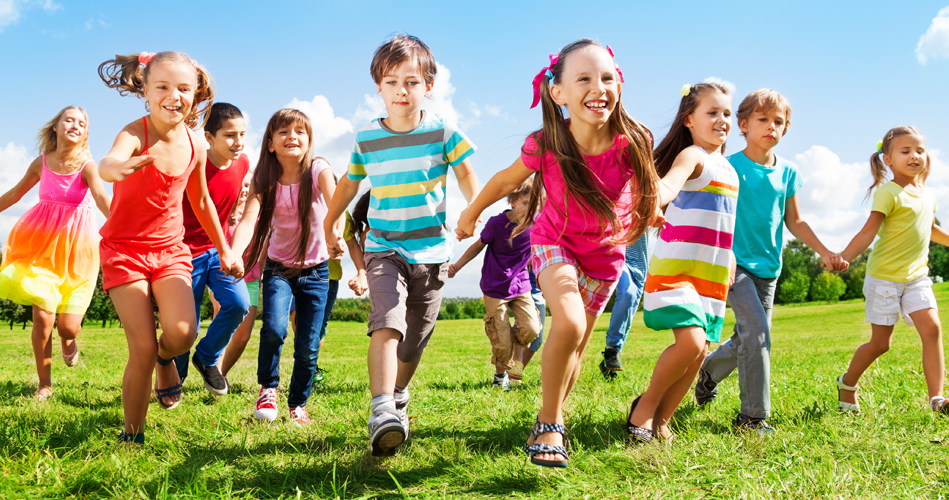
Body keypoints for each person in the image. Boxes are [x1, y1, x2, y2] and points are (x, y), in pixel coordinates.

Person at [457, 39, 658, 467]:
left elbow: (649, 187)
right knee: (565, 321)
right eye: (583, 78)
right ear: (558, 92)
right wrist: (472, 211)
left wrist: (650, 211)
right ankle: (548, 423)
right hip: (555, 244)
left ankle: (555, 413)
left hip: (605, 259)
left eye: (606, 77)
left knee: (576, 347)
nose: (597, 87)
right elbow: (504, 181)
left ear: (619, 85)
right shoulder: (548, 142)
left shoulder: (633, 140)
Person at [324, 34, 480, 457]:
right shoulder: (367, 140)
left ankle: (397, 394)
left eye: (411, 82)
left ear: (428, 86)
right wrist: (331, 219)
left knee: (414, 340)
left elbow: (466, 174)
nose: (401, 91)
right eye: (391, 82)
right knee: (387, 321)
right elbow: (348, 183)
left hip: (431, 252)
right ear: (378, 87)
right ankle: (381, 411)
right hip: (383, 247)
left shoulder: (443, 132)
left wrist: (472, 208)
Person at [97, 51, 242, 444]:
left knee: (182, 332)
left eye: (183, 88)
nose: (173, 95)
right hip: (124, 251)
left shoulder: (196, 144)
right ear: (145, 89)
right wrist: (114, 168)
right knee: (141, 346)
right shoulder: (135, 133)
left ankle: (168, 358)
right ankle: (133, 435)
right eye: (162, 86)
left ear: (196, 94)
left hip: (170, 252)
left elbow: (201, 202)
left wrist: (225, 249)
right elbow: (109, 162)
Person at [695, 89, 845, 434]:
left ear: (786, 129)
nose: (771, 127)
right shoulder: (729, 166)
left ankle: (708, 372)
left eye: (778, 122)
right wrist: (725, 254)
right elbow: (715, 215)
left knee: (750, 335)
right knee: (758, 334)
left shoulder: (789, 172)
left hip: (769, 269)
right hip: (734, 265)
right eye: (763, 120)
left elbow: (795, 221)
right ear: (743, 125)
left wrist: (824, 251)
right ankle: (752, 417)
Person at [626, 82, 739, 444]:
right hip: (678, 269)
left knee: (701, 350)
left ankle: (663, 419)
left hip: (712, 273)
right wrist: (653, 202)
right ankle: (644, 408)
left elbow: (722, 221)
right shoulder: (694, 156)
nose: (722, 120)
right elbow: (668, 185)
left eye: (726, 113)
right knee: (690, 343)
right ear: (689, 119)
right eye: (712, 112)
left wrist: (731, 256)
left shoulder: (729, 169)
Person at [230, 108, 337, 427]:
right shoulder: (265, 179)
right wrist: (236, 253)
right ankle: (268, 389)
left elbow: (337, 205)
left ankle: (298, 404)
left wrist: (335, 235)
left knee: (307, 344)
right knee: (274, 329)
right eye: (284, 132)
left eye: (300, 131)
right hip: (278, 270)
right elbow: (249, 219)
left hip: (317, 272)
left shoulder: (319, 169)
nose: (293, 136)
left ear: (309, 140)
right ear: (271, 143)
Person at [0, 106, 111, 401]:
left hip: (79, 253)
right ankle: (44, 384)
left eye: (82, 122)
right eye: (69, 120)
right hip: (41, 248)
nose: (76, 125)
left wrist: (122, 226)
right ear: (56, 127)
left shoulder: (88, 166)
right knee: (44, 318)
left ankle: (69, 339)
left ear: (86, 132)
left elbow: (101, 197)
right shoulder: (42, 162)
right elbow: (14, 194)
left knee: (67, 326)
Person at [836, 126, 949, 414]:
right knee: (880, 344)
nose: (915, 156)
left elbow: (931, 229)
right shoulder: (888, 193)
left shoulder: (928, 195)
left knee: (933, 329)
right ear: (887, 159)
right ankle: (847, 384)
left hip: (917, 278)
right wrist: (845, 256)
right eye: (906, 151)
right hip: (883, 279)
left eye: (920, 150)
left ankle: (937, 399)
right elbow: (867, 232)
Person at [174, 102, 251, 395]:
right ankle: (174, 382)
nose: (239, 142)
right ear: (209, 138)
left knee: (238, 303)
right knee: (186, 326)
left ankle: (206, 357)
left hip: (216, 250)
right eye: (230, 135)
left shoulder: (243, 163)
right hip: (184, 253)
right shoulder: (194, 163)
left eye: (242, 134)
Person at [449, 179, 540, 390]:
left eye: (534, 204)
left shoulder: (536, 224)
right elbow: (477, 246)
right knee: (501, 337)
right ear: (512, 201)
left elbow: (537, 251)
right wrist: (457, 266)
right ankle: (500, 376)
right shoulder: (496, 224)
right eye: (526, 203)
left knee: (531, 327)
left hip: (521, 285)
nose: (530, 208)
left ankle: (515, 362)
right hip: (495, 286)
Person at [600, 233, 649, 380]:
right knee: (627, 294)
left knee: (629, 310)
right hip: (618, 255)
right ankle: (612, 349)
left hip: (641, 264)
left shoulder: (647, 208)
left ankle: (609, 361)